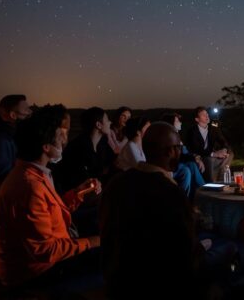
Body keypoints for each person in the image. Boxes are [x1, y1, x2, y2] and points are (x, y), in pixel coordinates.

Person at [100, 122, 234, 298]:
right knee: (230, 249)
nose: (180, 151)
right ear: (170, 151)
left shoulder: (115, 184)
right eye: (178, 147)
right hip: (163, 283)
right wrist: (201, 246)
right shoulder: (170, 193)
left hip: (119, 281)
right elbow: (185, 258)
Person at [0, 104, 102, 288]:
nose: (65, 142)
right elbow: (45, 251)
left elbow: (51, 211)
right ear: (45, 146)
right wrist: (93, 242)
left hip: (49, 250)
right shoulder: (29, 187)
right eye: (61, 137)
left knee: (99, 215)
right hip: (35, 272)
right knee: (114, 259)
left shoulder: (34, 171)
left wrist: (79, 193)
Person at [53, 106, 114, 193]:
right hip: (77, 195)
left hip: (95, 191)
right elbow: (75, 181)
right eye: (107, 120)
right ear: (98, 125)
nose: (110, 122)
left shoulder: (102, 143)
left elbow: (111, 163)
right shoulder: (77, 148)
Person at [161, 112, 205, 200]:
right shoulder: (169, 139)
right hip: (173, 165)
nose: (180, 123)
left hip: (180, 162)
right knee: (188, 168)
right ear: (170, 124)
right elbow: (179, 156)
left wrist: (196, 157)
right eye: (177, 121)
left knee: (192, 165)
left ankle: (199, 193)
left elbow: (186, 153)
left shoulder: (177, 137)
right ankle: (203, 190)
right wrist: (194, 158)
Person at [183, 107, 232, 183]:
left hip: (210, 153)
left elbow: (223, 141)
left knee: (230, 154)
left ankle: (222, 179)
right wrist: (213, 154)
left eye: (207, 114)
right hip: (200, 155)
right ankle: (211, 183)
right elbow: (196, 149)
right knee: (209, 160)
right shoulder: (192, 131)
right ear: (197, 119)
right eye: (203, 115)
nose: (207, 116)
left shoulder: (213, 128)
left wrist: (224, 149)